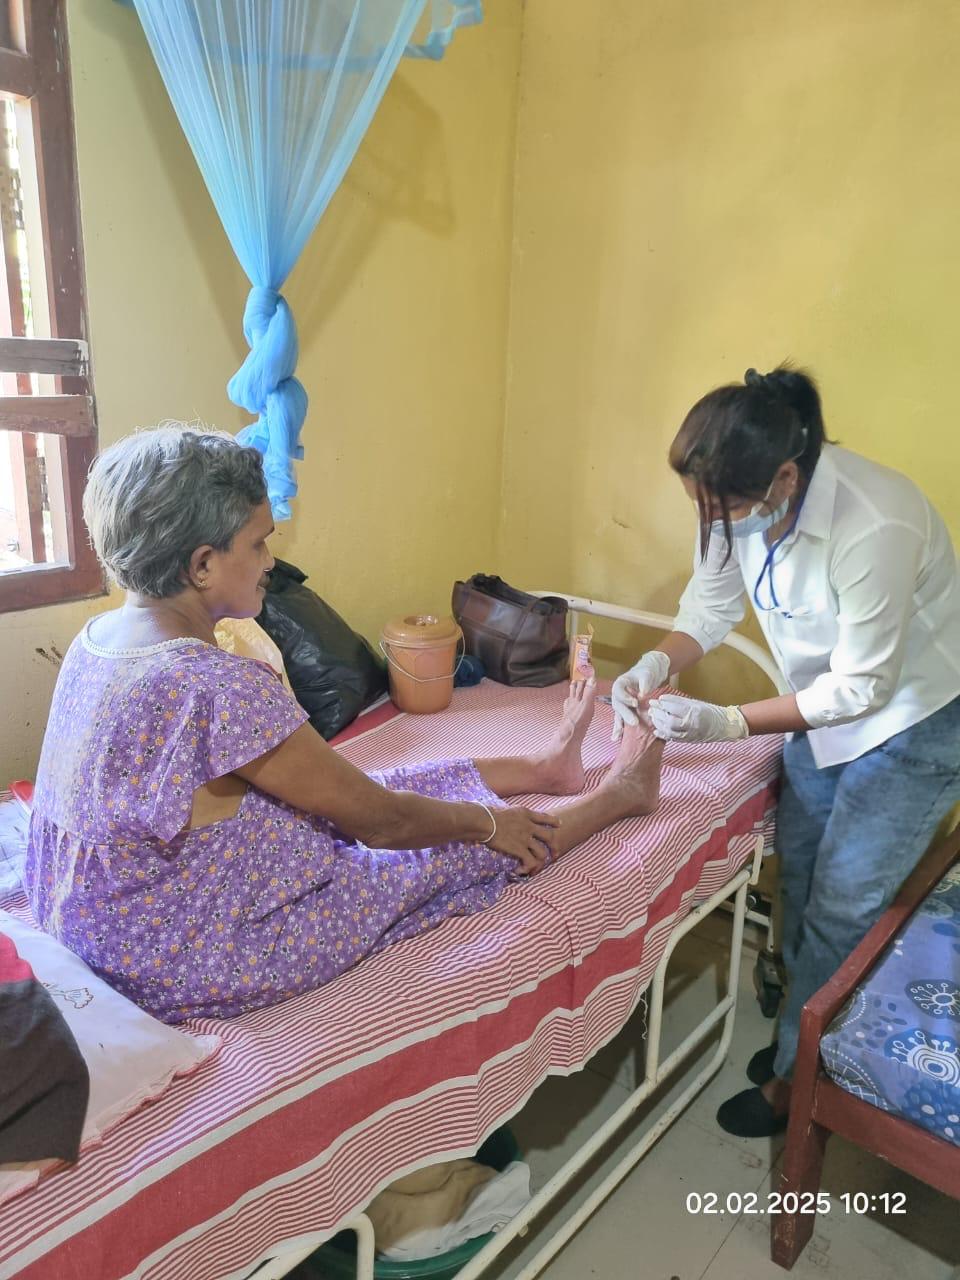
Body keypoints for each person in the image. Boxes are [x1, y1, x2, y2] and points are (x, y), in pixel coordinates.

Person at [25, 426, 664, 1023]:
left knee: (370, 786)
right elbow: (383, 825)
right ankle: (620, 794)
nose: (270, 561)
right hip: (182, 954)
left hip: (94, 921)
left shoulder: (97, 640)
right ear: (201, 566)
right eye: (259, 543)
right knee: (452, 842)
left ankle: (545, 767)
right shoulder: (216, 685)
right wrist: (491, 823)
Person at [611, 364, 960, 1138]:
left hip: (916, 719)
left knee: (843, 906)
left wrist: (728, 722)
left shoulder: (878, 521)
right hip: (821, 711)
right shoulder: (730, 497)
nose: (713, 521)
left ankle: (798, 1085)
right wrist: (655, 663)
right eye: (702, 505)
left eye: (726, 508)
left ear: (786, 477)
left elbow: (862, 687)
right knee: (800, 875)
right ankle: (799, 1042)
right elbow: (710, 606)